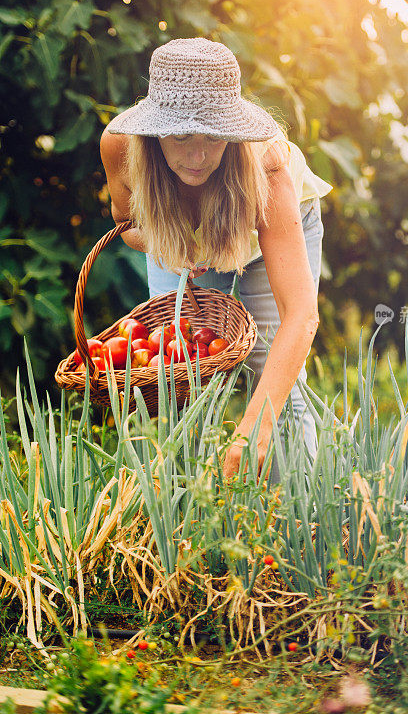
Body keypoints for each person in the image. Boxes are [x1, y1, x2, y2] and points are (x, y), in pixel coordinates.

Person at [100, 37, 332, 482]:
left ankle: (300, 518)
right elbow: (127, 224)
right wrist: (173, 247)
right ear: (154, 131)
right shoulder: (122, 146)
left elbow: (301, 315)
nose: (198, 156)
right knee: (177, 373)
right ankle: (189, 512)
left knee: (274, 374)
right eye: (182, 136)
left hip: (266, 235)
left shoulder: (267, 168)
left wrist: (256, 423)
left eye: (214, 137)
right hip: (177, 239)